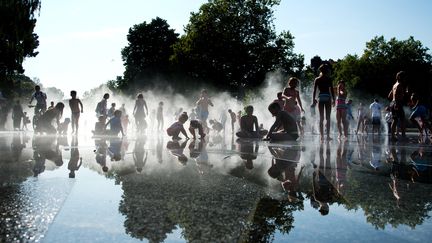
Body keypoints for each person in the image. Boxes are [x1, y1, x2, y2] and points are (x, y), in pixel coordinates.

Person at [312, 64, 335, 141]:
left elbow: (314, 91)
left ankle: (322, 136)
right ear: (327, 71)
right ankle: (328, 136)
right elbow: (332, 90)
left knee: (321, 118)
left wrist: (313, 100)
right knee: (328, 118)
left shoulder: (317, 79)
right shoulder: (329, 79)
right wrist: (334, 100)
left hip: (321, 97)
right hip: (328, 97)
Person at [388, 71, 408, 141]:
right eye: (403, 77)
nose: (404, 78)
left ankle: (393, 136)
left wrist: (392, 103)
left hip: (393, 103)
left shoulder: (394, 85)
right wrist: (396, 102)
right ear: (399, 77)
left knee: (395, 120)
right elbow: (396, 94)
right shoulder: (399, 84)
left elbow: (390, 95)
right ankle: (403, 136)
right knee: (402, 119)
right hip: (397, 103)